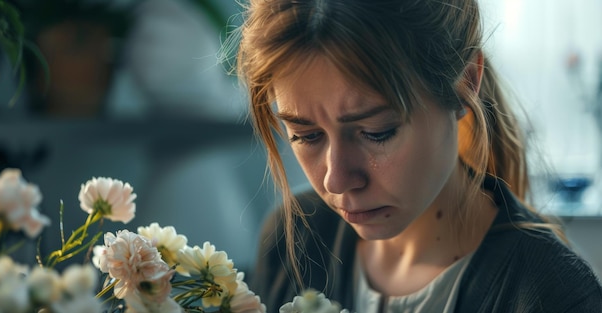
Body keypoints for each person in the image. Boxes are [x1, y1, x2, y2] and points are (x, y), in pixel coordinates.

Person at [229, 0, 602, 312]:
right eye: (306, 136)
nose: (336, 180)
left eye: (377, 133)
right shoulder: (294, 241)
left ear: (464, 84)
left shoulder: (550, 294)